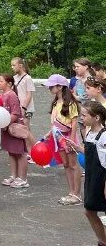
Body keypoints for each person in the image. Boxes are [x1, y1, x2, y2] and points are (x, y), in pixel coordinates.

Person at [66, 101, 106, 245]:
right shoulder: (89, 132)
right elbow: (90, 153)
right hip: (91, 177)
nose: (82, 118)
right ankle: (103, 240)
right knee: (89, 211)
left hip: (102, 178)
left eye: (85, 115)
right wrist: (77, 147)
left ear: (96, 118)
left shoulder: (104, 136)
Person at [44, 74, 81, 205]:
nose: (49, 88)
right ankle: (71, 192)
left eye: (51, 86)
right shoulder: (56, 102)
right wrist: (49, 133)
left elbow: (74, 122)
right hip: (57, 136)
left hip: (67, 136)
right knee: (65, 164)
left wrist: (71, 140)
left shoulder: (70, 103)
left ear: (60, 87)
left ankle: (76, 194)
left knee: (73, 165)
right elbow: (55, 122)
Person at [0, 73, 29, 189]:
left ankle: (23, 178)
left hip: (14, 128)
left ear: (9, 83)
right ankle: (14, 175)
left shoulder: (12, 95)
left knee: (19, 153)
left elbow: (15, 113)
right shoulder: (2, 95)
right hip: (6, 128)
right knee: (11, 152)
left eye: (1, 81)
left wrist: (5, 122)